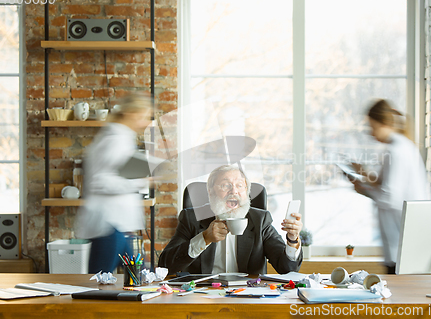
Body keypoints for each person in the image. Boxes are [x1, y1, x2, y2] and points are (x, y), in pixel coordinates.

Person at [158, 165, 303, 275]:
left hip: (247, 296)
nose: (234, 191)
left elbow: (287, 269)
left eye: (240, 185)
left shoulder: (260, 220)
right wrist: (204, 238)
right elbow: (165, 266)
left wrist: (292, 239)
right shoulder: (191, 218)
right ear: (210, 190)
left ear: (246, 191)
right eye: (226, 185)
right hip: (203, 297)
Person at [75, 92, 153, 273]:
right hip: (109, 225)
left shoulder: (121, 136)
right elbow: (99, 181)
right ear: (131, 114)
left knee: (142, 275)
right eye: (144, 117)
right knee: (101, 282)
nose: (146, 122)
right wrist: (139, 182)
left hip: (118, 226)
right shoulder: (115, 139)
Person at [352, 99, 431, 274]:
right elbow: (387, 184)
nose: (371, 133)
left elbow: (390, 197)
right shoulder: (402, 147)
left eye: (373, 127)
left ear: (385, 123)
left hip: (402, 244)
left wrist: (362, 189)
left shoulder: (396, 151)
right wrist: (364, 175)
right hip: (407, 241)